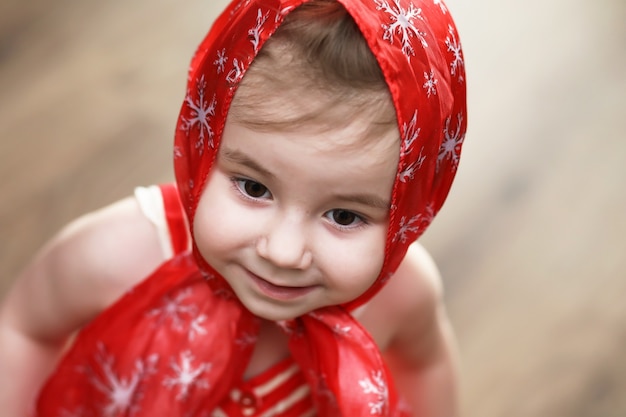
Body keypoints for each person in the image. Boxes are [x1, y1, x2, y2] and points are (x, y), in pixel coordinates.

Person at [0, 0, 467, 415]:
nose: (283, 253)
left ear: (410, 211)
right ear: (204, 145)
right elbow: (25, 329)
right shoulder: (116, 255)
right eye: (253, 187)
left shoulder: (403, 293)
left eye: (344, 215)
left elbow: (424, 365)